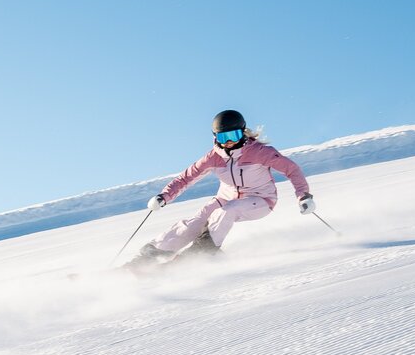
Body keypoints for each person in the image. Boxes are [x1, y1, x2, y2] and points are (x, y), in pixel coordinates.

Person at [128, 109, 315, 268]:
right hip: (225, 198)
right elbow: (186, 178)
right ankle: (151, 254)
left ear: (243, 133)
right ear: (215, 137)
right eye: (222, 137)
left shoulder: (259, 152)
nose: (228, 142)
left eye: (233, 136)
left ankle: (201, 253)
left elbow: (292, 170)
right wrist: (164, 196)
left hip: (260, 200)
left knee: (227, 211)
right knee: (196, 221)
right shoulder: (214, 157)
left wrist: (303, 196)